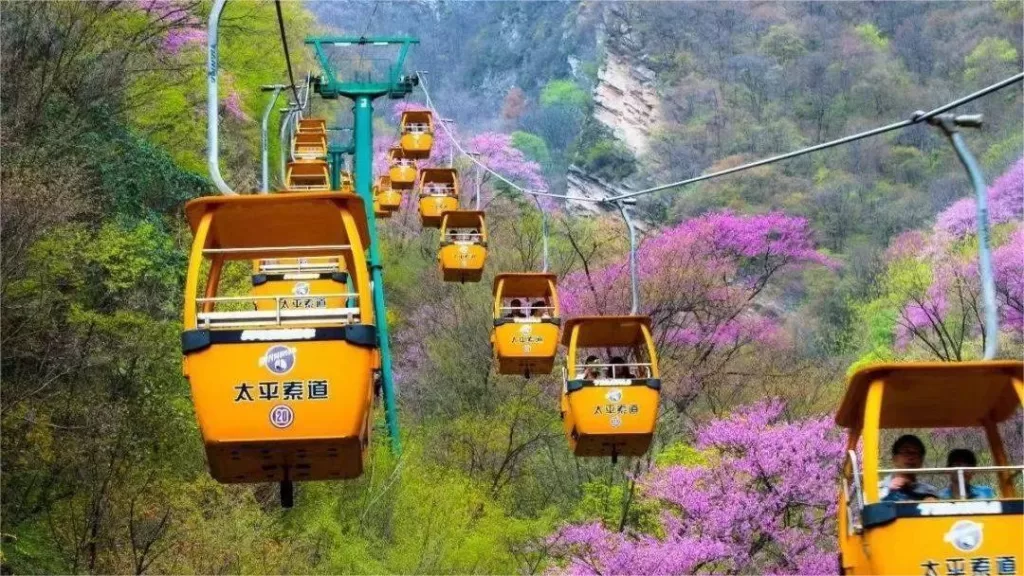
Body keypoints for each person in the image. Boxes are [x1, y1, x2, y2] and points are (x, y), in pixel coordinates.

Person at [879, 434, 940, 502]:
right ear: (894, 459)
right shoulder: (878, 489)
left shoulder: (929, 492)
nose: (911, 457)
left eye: (915, 453)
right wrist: (890, 489)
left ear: (921, 460)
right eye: (906, 452)